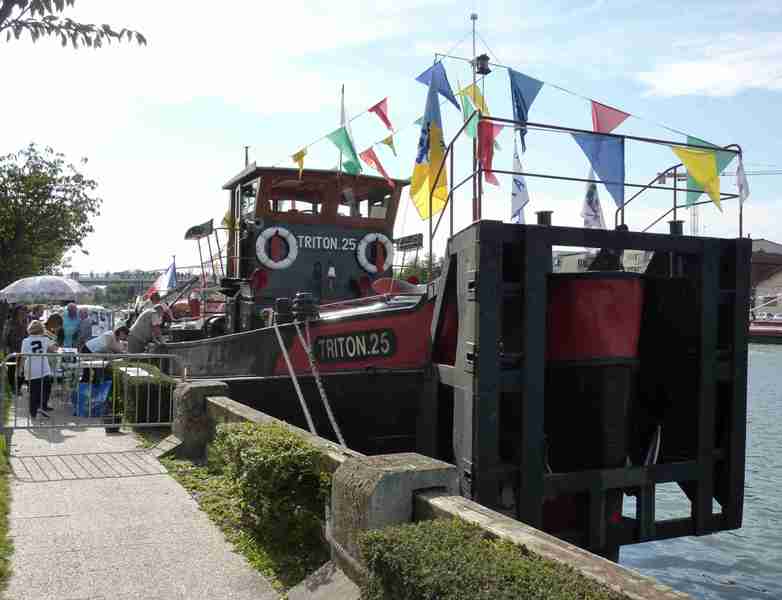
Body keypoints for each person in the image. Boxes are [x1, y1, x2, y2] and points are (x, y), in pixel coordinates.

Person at [18, 320, 58, 418]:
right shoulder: (45, 339)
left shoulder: (25, 341)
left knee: (33, 391)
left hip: (31, 369)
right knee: (46, 389)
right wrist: (52, 336)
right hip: (44, 368)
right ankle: (42, 406)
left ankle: (33, 412)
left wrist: (20, 369)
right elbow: (54, 349)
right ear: (42, 329)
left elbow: (23, 357)